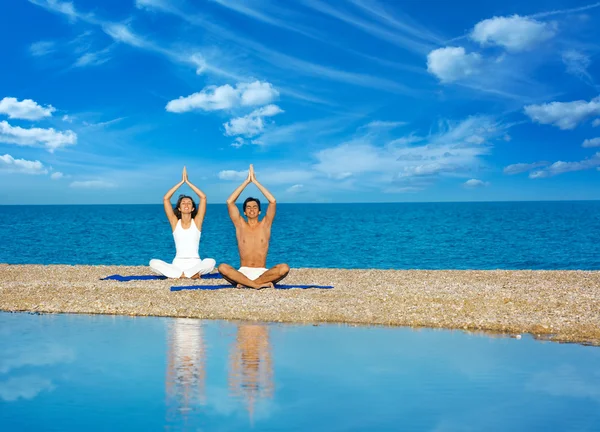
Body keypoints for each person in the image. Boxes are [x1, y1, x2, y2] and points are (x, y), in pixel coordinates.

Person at [218, 165, 289, 289]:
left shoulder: (265, 225)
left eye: (255, 207)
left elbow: (273, 201)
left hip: (262, 272)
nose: (252, 209)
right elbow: (230, 202)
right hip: (243, 271)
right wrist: (246, 182)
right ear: (244, 212)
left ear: (259, 211)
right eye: (248, 207)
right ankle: (256, 285)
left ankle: (249, 283)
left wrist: (255, 182)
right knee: (222, 267)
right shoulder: (240, 225)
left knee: (284, 268)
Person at [149, 167, 216, 279]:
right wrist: (181, 182)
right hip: (177, 264)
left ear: (193, 208)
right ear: (179, 208)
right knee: (153, 263)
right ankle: (186, 275)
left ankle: (182, 275)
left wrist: (188, 182)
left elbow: (203, 198)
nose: (186, 205)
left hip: (195, 263)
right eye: (183, 203)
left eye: (189, 203)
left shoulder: (197, 222)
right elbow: (166, 199)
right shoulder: (175, 223)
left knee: (211, 261)